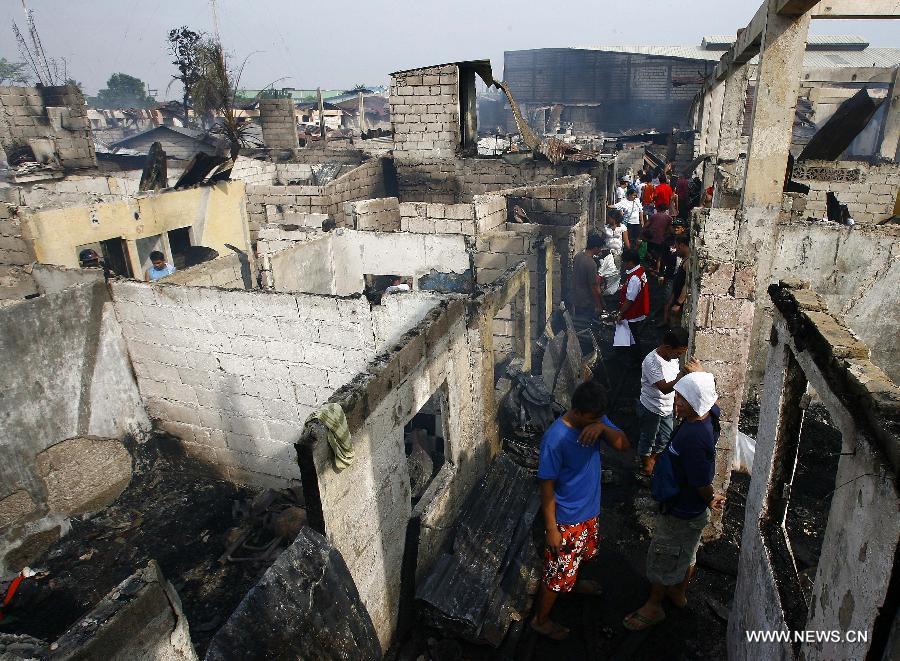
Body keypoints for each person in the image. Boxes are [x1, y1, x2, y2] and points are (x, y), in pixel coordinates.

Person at [623, 372, 724, 631]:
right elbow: (711, 396)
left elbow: (700, 482)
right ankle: (678, 593)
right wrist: (699, 373)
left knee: (663, 552)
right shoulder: (709, 415)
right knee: (688, 551)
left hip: (681, 509)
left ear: (695, 402)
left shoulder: (693, 438)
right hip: (692, 510)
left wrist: (710, 498)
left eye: (682, 398)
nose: (676, 402)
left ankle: (654, 606)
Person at [532, 380, 629, 639]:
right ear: (577, 411)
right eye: (593, 419)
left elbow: (624, 445)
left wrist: (601, 427)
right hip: (566, 520)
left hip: (589, 513)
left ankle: (574, 584)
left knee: (582, 557)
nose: (596, 421)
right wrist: (551, 528)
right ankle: (540, 620)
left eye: (599, 418)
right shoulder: (555, 439)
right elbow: (547, 486)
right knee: (556, 575)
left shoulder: (596, 420)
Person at [636, 328, 696, 477]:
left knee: (665, 438)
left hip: (667, 408)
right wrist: (683, 374)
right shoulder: (652, 362)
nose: (679, 356)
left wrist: (676, 402)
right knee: (648, 439)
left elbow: (673, 384)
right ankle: (646, 465)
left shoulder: (672, 358)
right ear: (668, 348)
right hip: (651, 407)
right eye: (679, 353)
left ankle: (652, 461)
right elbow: (664, 388)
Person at [617, 248, 649, 359]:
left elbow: (630, 299)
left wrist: (620, 313)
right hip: (639, 309)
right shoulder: (640, 270)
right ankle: (625, 352)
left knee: (632, 336)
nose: (623, 264)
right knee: (631, 334)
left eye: (624, 262)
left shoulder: (635, 278)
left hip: (634, 311)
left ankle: (636, 359)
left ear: (630, 262)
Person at [572, 233, 605, 320]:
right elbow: (593, 287)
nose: (600, 250)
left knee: (579, 323)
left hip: (576, 298)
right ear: (595, 248)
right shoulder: (591, 264)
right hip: (586, 301)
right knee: (587, 324)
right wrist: (599, 305)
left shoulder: (578, 256)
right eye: (600, 248)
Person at [662, 236, 690, 328]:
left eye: (676, 247)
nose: (676, 249)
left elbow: (686, 285)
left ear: (681, 245)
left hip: (680, 305)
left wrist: (678, 303)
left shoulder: (688, 262)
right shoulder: (684, 260)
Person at [644, 203, 673, 277]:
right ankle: (657, 270)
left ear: (658, 209)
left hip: (651, 238)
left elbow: (646, 226)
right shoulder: (669, 218)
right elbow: (670, 229)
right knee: (659, 256)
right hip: (661, 239)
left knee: (649, 253)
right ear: (665, 210)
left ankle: (650, 268)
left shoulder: (653, 216)